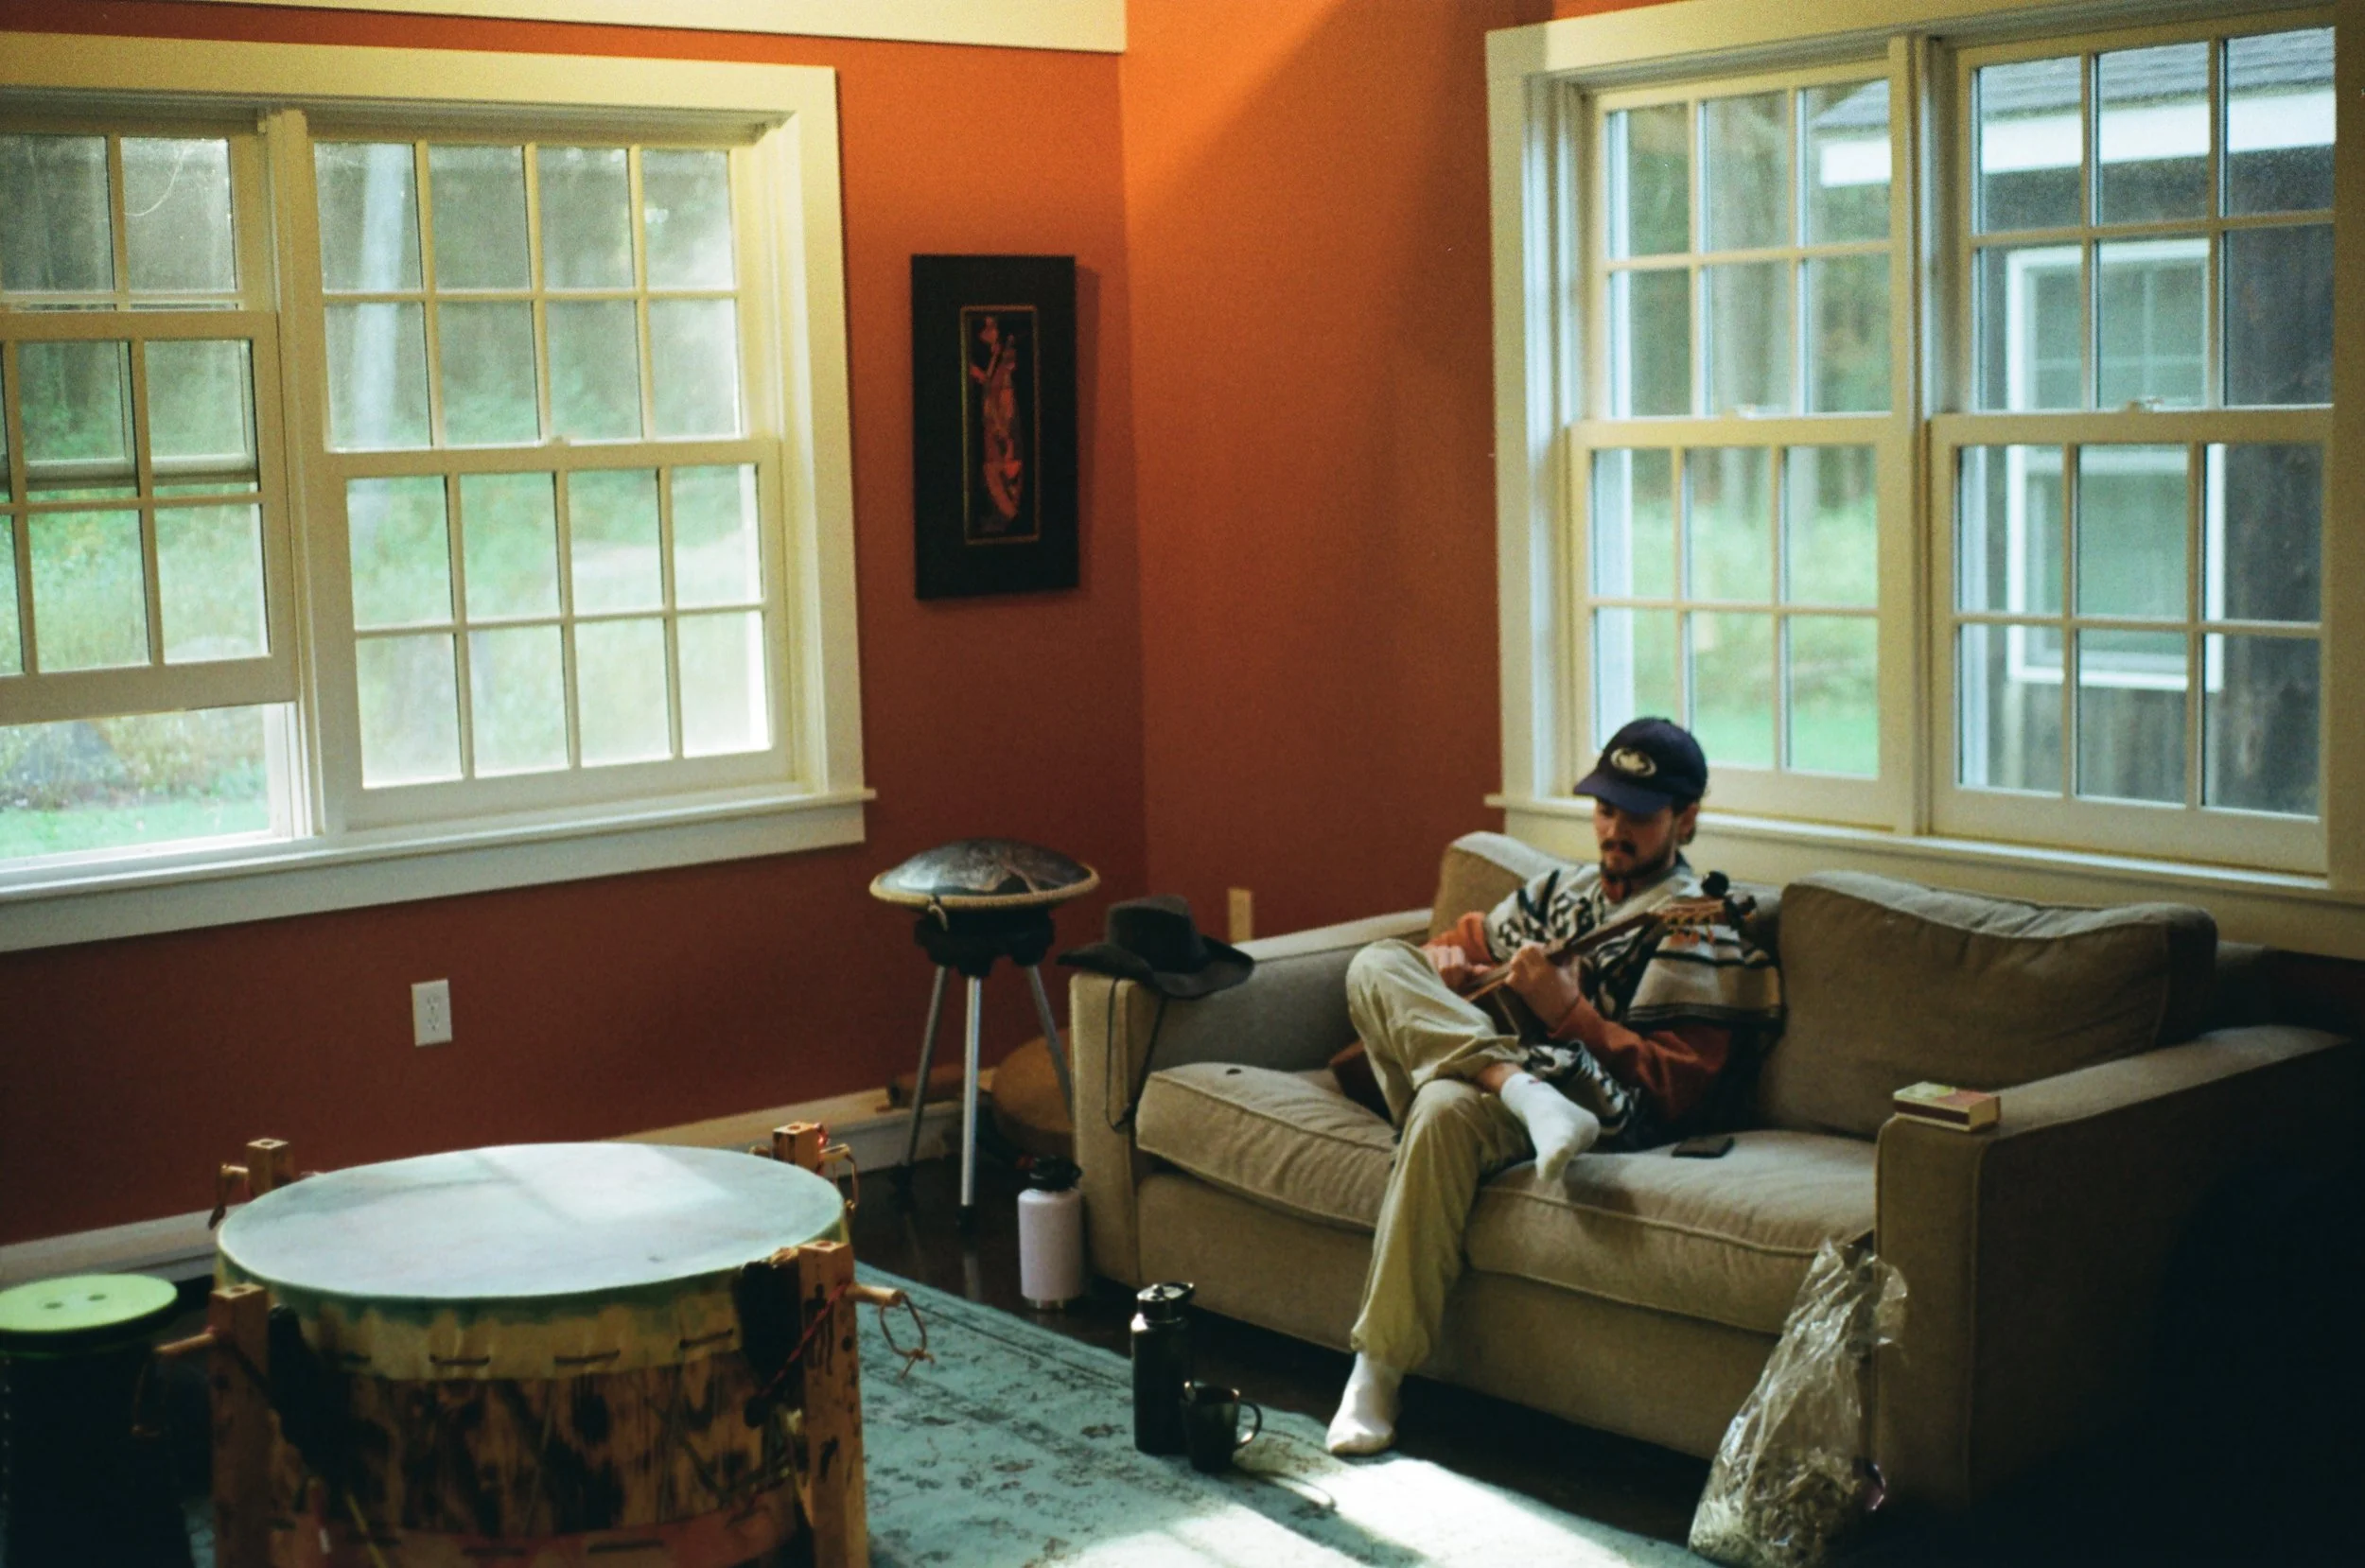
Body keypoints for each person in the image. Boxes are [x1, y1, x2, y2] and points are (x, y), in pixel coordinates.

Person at [1324, 717, 1782, 1456]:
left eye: (1638, 814)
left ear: (1686, 818)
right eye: (1606, 808)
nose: (1615, 828)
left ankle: (1373, 1377)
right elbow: (1454, 946)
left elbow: (1679, 1089)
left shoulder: (1699, 928)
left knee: (1442, 1107)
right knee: (1374, 963)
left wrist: (1567, 1014)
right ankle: (1508, 1084)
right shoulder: (1551, 894)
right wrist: (1451, 969)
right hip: (1512, 1083)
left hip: (1582, 1102)